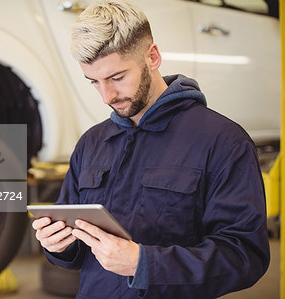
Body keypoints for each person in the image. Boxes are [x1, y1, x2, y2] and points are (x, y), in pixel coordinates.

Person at [31, 1, 270, 298]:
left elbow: (245, 256)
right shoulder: (91, 144)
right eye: (94, 82)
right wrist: (60, 245)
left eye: (117, 77)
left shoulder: (222, 141)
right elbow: (78, 253)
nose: (107, 96)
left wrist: (144, 264)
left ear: (153, 57)